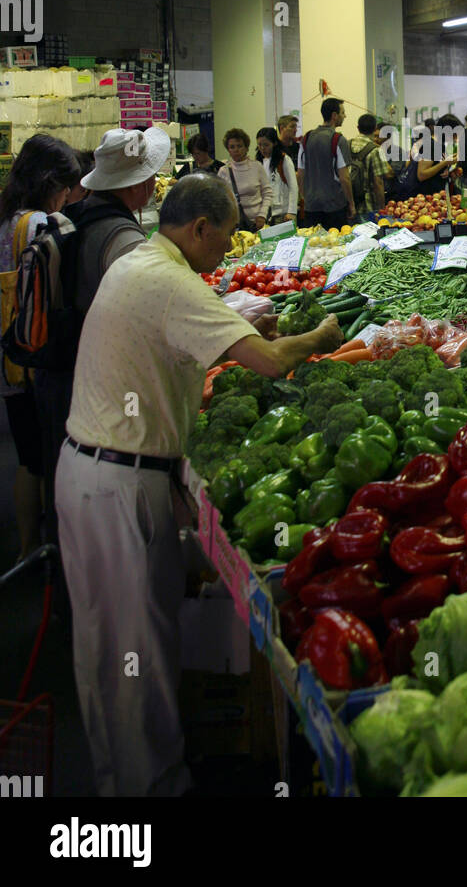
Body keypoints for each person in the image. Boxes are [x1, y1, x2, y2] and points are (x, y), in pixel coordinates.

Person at [55, 174, 342, 797]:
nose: (233, 249)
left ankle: (124, 780)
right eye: (229, 236)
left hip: (101, 469)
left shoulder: (142, 264)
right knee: (134, 655)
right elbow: (268, 363)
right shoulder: (167, 280)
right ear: (200, 229)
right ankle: (148, 793)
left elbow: (185, 351)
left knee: (110, 647)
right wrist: (321, 338)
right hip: (116, 480)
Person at [32, 128, 169, 551]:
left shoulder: (80, 215)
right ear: (141, 184)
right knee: (106, 505)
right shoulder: (123, 239)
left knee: (67, 493)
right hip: (100, 382)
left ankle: (66, 580)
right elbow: (148, 320)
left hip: (58, 371)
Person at [0, 135, 81, 558]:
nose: (68, 195)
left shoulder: (6, 216)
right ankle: (48, 551)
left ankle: (26, 549)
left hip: (9, 357)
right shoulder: (37, 224)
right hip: (36, 358)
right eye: (66, 187)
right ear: (51, 182)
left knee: (26, 458)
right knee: (47, 458)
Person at [297, 97, 355, 229]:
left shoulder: (306, 139)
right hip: (334, 207)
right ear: (334, 116)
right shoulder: (338, 140)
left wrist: (305, 197)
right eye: (342, 113)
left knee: (313, 245)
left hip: (311, 207)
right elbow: (344, 177)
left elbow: (300, 174)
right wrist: (351, 203)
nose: (345, 116)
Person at [218, 127, 272, 231]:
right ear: (228, 150)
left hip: (258, 223)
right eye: (232, 147)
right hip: (235, 226)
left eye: (239, 146)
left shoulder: (257, 166)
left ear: (246, 148)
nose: (236, 150)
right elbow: (221, 201)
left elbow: (267, 193)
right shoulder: (223, 172)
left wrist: (262, 215)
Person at [255, 126, 298, 225]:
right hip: (266, 214)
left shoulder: (284, 160)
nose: (262, 148)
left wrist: (291, 212)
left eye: (266, 145)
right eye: (260, 145)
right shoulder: (258, 162)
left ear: (274, 143)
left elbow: (293, 187)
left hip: (284, 214)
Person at [349, 114, 391, 214]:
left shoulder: (347, 144)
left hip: (349, 203)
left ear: (358, 128)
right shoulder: (375, 150)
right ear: (375, 128)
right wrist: (382, 208)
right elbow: (378, 183)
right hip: (367, 205)